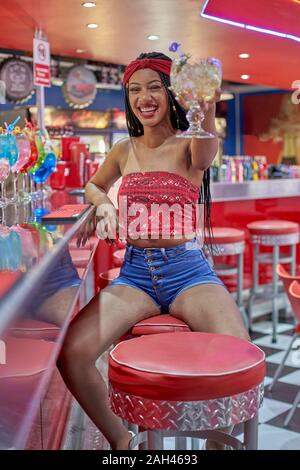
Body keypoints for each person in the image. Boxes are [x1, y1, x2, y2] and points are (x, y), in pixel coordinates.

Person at [57, 52, 249, 451]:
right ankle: (125, 443)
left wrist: (207, 102)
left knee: (240, 358)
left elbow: (206, 154)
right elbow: (93, 185)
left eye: (154, 87)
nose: (144, 97)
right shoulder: (124, 149)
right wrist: (105, 202)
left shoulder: (190, 144)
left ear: (172, 92)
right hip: (136, 275)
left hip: (188, 272)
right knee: (73, 353)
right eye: (134, 89)